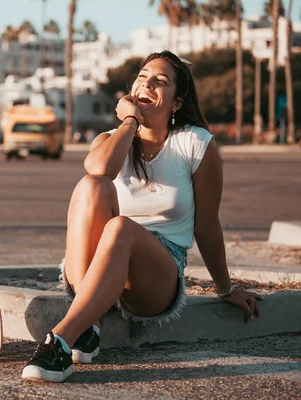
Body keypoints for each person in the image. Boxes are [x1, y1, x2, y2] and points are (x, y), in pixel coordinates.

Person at [21, 50, 264, 383]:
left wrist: (225, 289)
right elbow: (99, 170)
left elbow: (207, 226)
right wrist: (130, 122)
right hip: (100, 262)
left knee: (121, 228)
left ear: (176, 103)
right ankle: (87, 329)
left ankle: (61, 340)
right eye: (142, 77)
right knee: (92, 186)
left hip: (156, 275)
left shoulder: (195, 143)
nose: (147, 83)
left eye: (160, 81)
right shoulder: (111, 139)